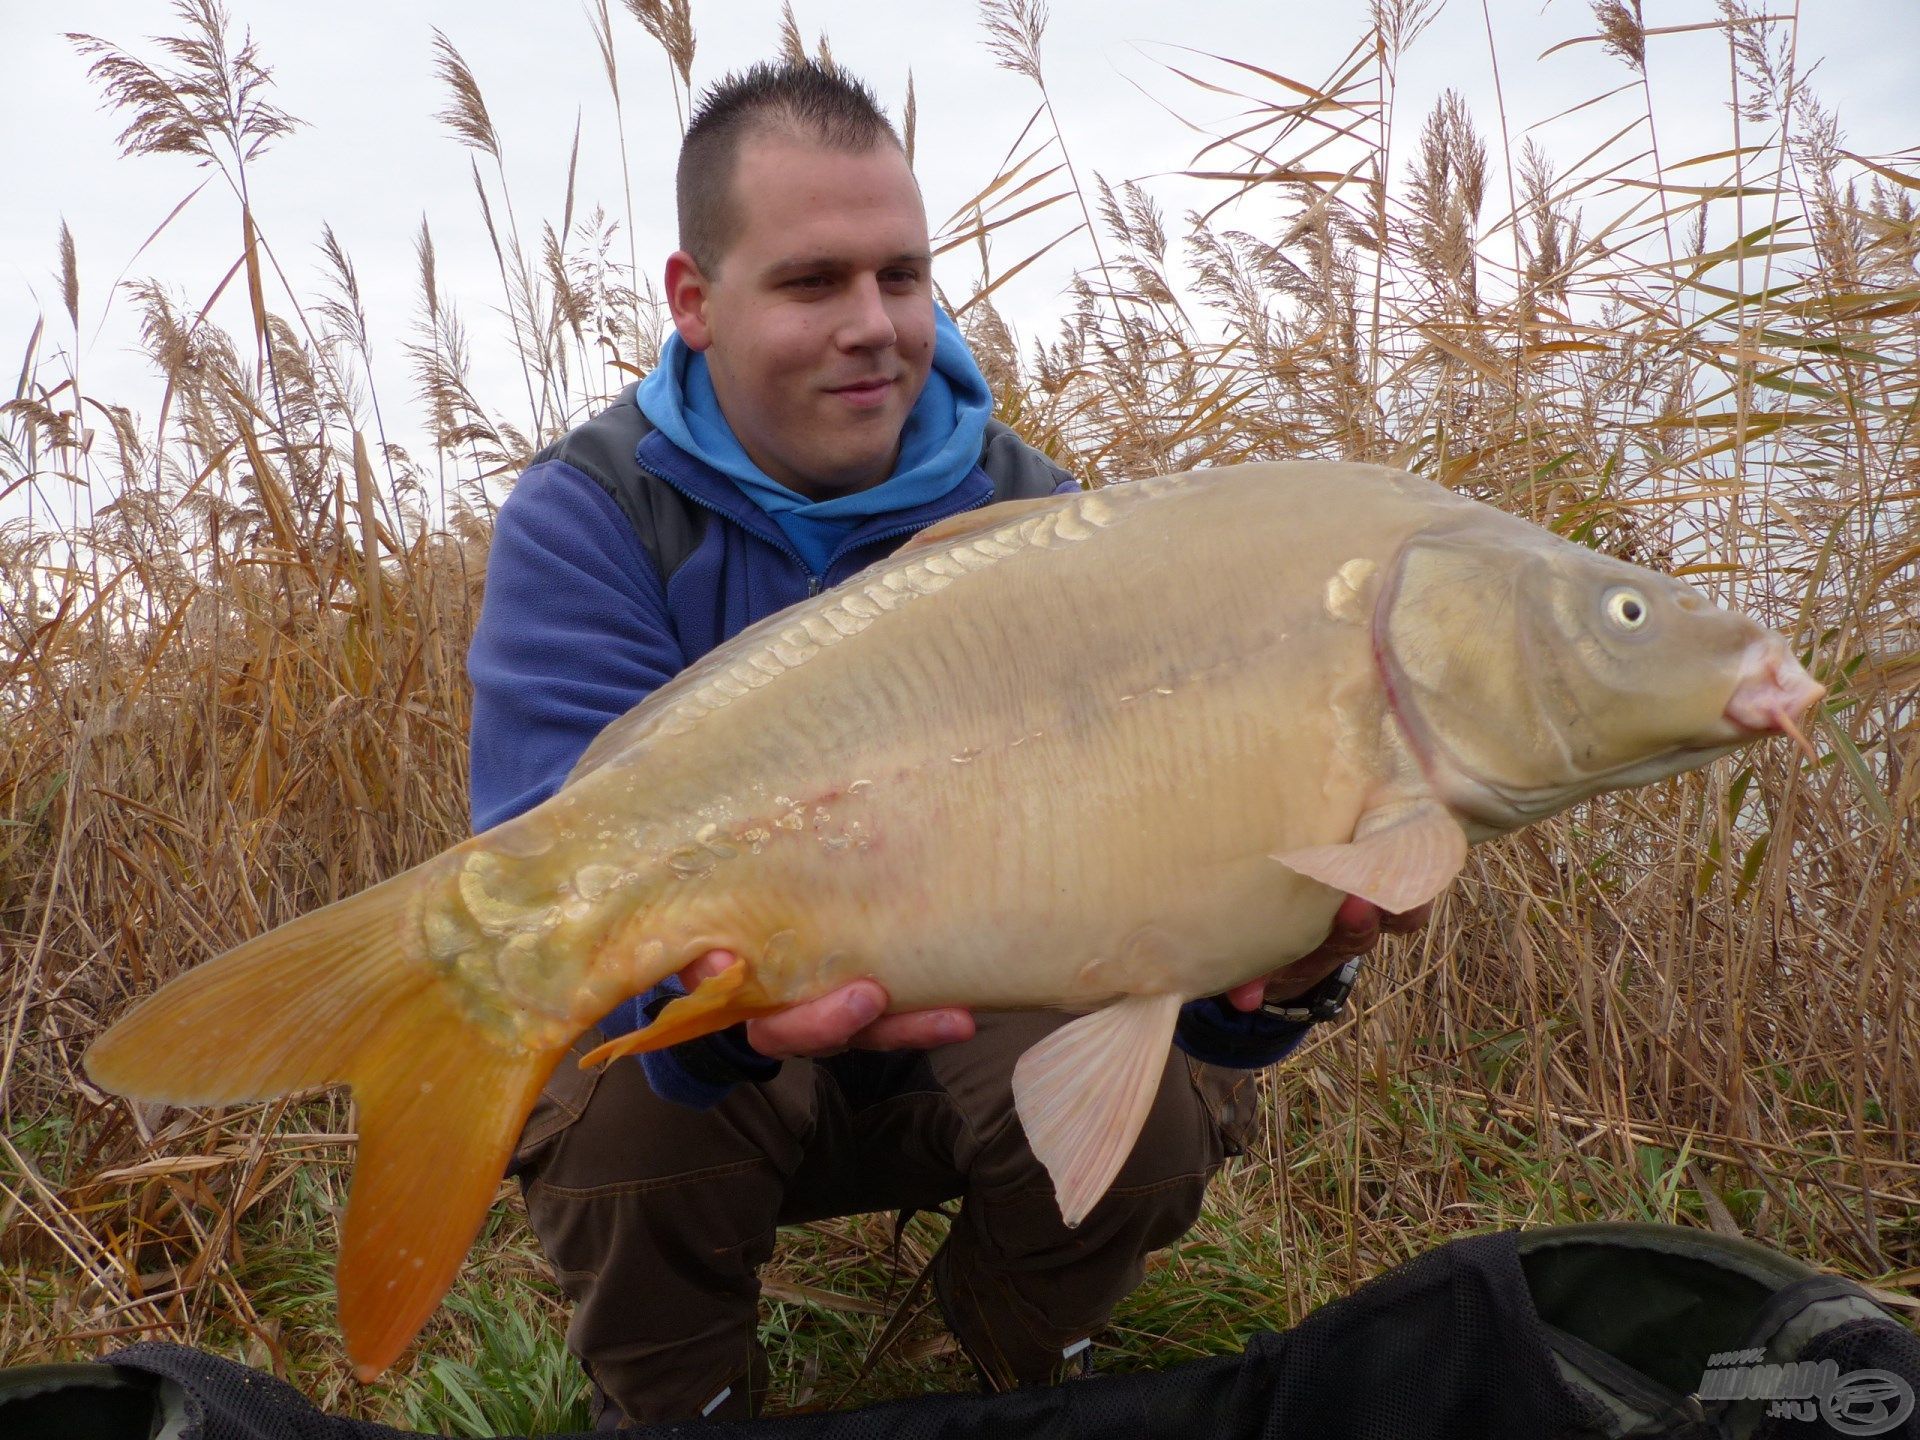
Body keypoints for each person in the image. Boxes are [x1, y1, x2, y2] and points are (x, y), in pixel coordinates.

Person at [466, 59, 1425, 1428]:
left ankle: (1007, 1354)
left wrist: (1274, 969)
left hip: (975, 1011)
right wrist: (720, 1025)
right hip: (733, 1055)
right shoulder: (594, 517)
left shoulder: (1046, 526)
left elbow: (1161, 912)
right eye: (813, 283)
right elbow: (548, 888)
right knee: (626, 1120)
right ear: (695, 301)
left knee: (1157, 1113)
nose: (875, 326)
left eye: (902, 277)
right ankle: (681, 1404)